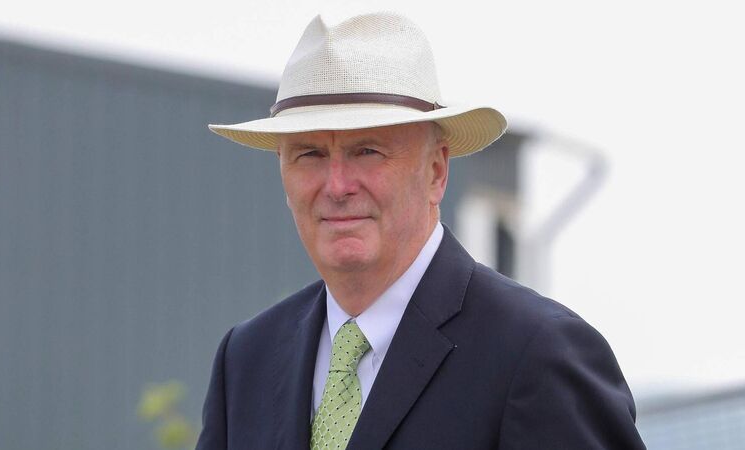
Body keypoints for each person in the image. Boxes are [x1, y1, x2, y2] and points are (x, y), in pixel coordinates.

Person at [196, 11, 645, 450]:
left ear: (436, 171)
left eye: (367, 151)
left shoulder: (537, 353)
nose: (337, 186)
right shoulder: (247, 359)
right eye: (309, 154)